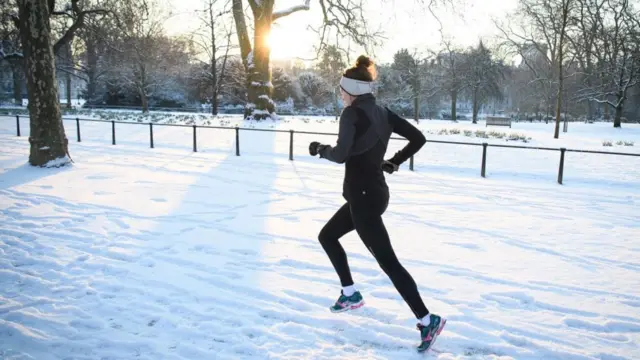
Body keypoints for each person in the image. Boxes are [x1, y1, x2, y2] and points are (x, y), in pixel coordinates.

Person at [308, 55, 446, 353]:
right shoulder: (383, 111)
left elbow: (342, 153)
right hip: (374, 193)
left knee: (388, 263)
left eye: (342, 90)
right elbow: (418, 138)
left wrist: (320, 149)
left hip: (364, 199)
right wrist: (394, 162)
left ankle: (427, 319)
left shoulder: (351, 115)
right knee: (327, 236)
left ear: (353, 90)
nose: (340, 95)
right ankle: (350, 293)